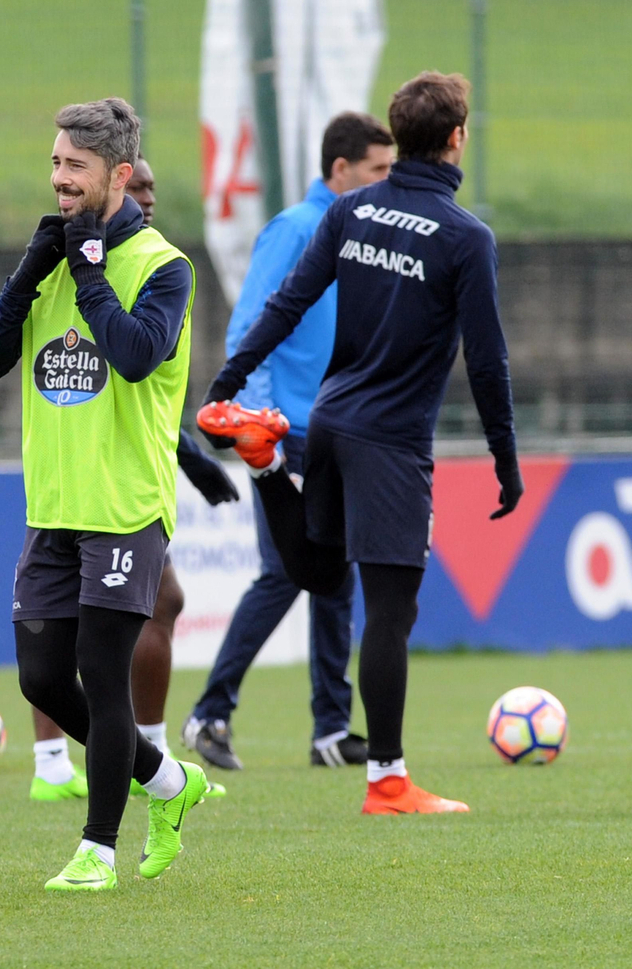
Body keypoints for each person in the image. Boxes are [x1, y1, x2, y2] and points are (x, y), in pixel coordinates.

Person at [199, 72, 521, 814]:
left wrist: (228, 383)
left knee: (317, 568)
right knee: (391, 611)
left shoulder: (353, 209)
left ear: (399, 136)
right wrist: (504, 459)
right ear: (456, 139)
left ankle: (267, 461)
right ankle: (388, 780)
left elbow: (288, 301)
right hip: (392, 441)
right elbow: (489, 358)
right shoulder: (467, 237)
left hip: (333, 419)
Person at [0, 98, 209, 892]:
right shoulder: (54, 259)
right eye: (55, 164)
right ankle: (170, 784)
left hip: (124, 507)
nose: (59, 179)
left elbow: (138, 356)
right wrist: (32, 273)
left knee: (103, 679)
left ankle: (98, 851)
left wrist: (90, 273)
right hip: (54, 510)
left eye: (74, 166)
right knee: (42, 677)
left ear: (119, 175)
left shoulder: (164, 267)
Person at [25, 150, 240, 803]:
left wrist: (194, 460)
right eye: (136, 184)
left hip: (113, 482)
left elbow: (143, 394)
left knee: (116, 627)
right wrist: (196, 462)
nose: (146, 197)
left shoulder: (157, 267)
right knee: (75, 641)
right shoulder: (85, 264)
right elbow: (119, 379)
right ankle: (87, 759)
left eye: (152, 187)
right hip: (89, 480)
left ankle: (98, 775)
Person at [183, 112, 395, 772]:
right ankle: (208, 714)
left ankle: (331, 729)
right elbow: (252, 325)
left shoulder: (362, 232)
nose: (388, 181)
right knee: (285, 572)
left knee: (334, 579)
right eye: (378, 171)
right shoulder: (297, 229)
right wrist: (261, 421)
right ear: (340, 171)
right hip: (285, 434)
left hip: (336, 432)